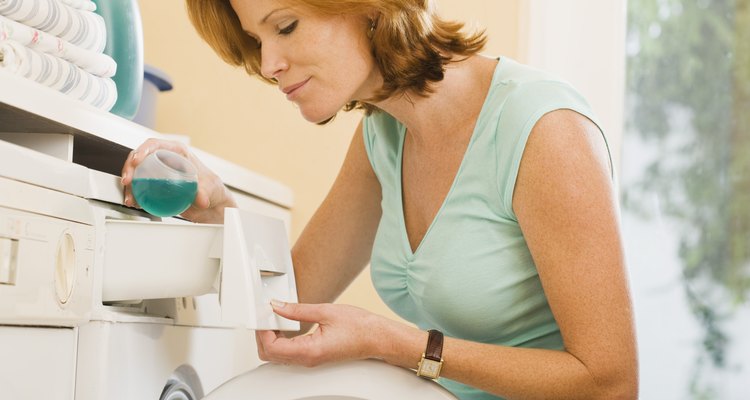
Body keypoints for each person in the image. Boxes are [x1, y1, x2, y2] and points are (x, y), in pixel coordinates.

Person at [120, 0, 638, 398]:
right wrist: (217, 210)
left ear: (367, 8)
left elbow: (611, 384)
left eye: (286, 26)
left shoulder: (546, 130)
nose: (269, 63)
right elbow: (292, 305)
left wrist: (396, 344)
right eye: (257, 39)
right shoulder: (383, 138)